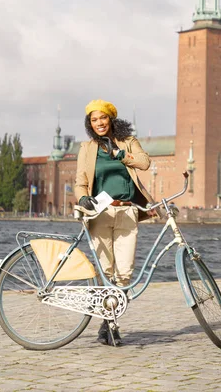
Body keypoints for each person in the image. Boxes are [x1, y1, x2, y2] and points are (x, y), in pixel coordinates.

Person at [75, 98, 156, 346]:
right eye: (94, 120)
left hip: (127, 212)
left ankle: (108, 322)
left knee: (124, 273)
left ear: (111, 119)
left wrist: (121, 154)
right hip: (100, 213)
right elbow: (80, 181)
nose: (99, 123)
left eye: (103, 118)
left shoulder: (128, 142)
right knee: (105, 271)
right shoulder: (87, 148)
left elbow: (144, 163)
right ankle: (110, 325)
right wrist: (82, 198)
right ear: (90, 124)